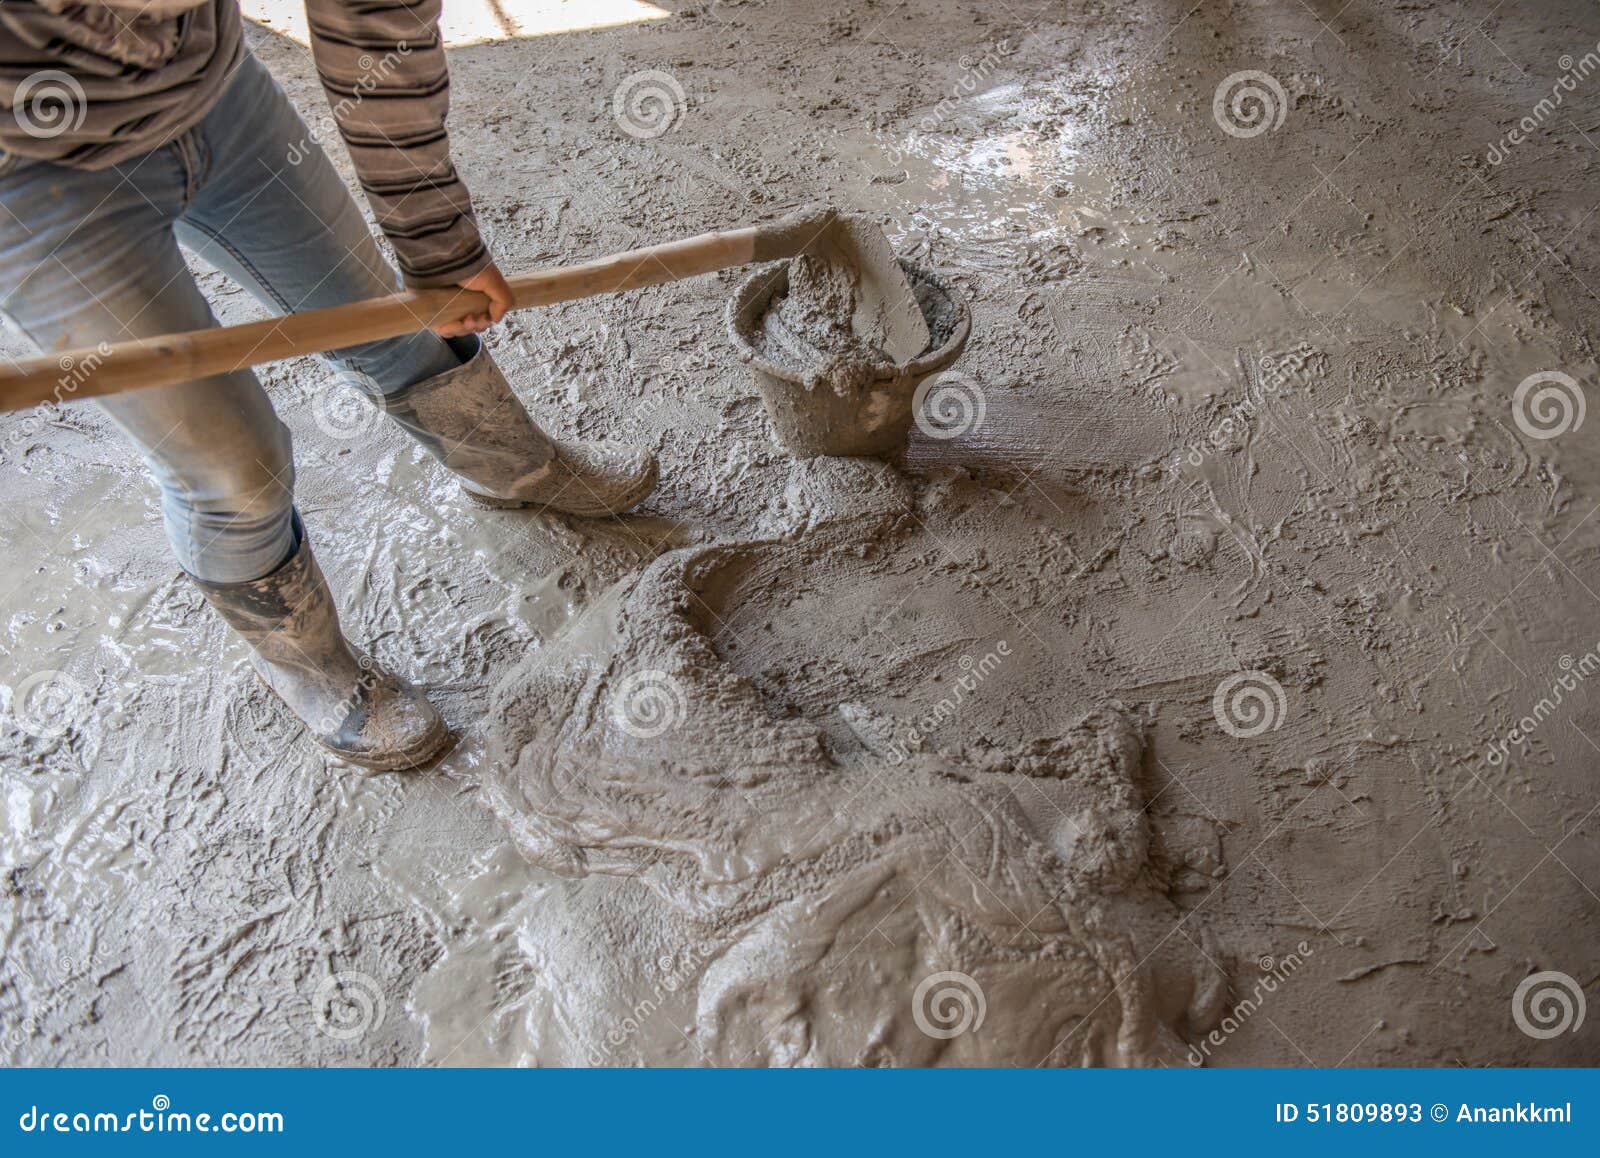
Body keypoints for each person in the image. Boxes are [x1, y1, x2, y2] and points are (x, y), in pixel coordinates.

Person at [0, 1, 659, 770]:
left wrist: (436, 237)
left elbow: (376, 14)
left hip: (216, 96)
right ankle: (308, 667)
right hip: (29, 173)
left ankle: (514, 469)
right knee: (233, 469)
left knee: (395, 325)